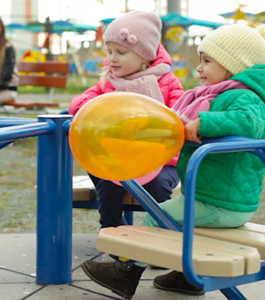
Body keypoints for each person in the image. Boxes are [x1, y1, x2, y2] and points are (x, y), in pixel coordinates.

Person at [82, 24, 265, 300]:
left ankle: (125, 274)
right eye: (201, 60)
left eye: (207, 61)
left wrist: (205, 122)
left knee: (159, 216)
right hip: (214, 196)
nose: (200, 68)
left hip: (222, 202)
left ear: (234, 65)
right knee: (177, 219)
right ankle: (186, 278)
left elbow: (249, 122)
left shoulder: (244, 97)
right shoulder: (223, 93)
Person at [69, 11, 184, 230]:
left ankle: (162, 237)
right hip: (120, 158)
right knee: (106, 182)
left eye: (121, 52)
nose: (112, 58)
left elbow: (180, 118)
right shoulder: (108, 82)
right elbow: (80, 102)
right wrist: (90, 106)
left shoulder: (167, 82)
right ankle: (112, 232)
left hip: (162, 160)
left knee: (158, 188)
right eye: (110, 51)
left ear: (145, 56)